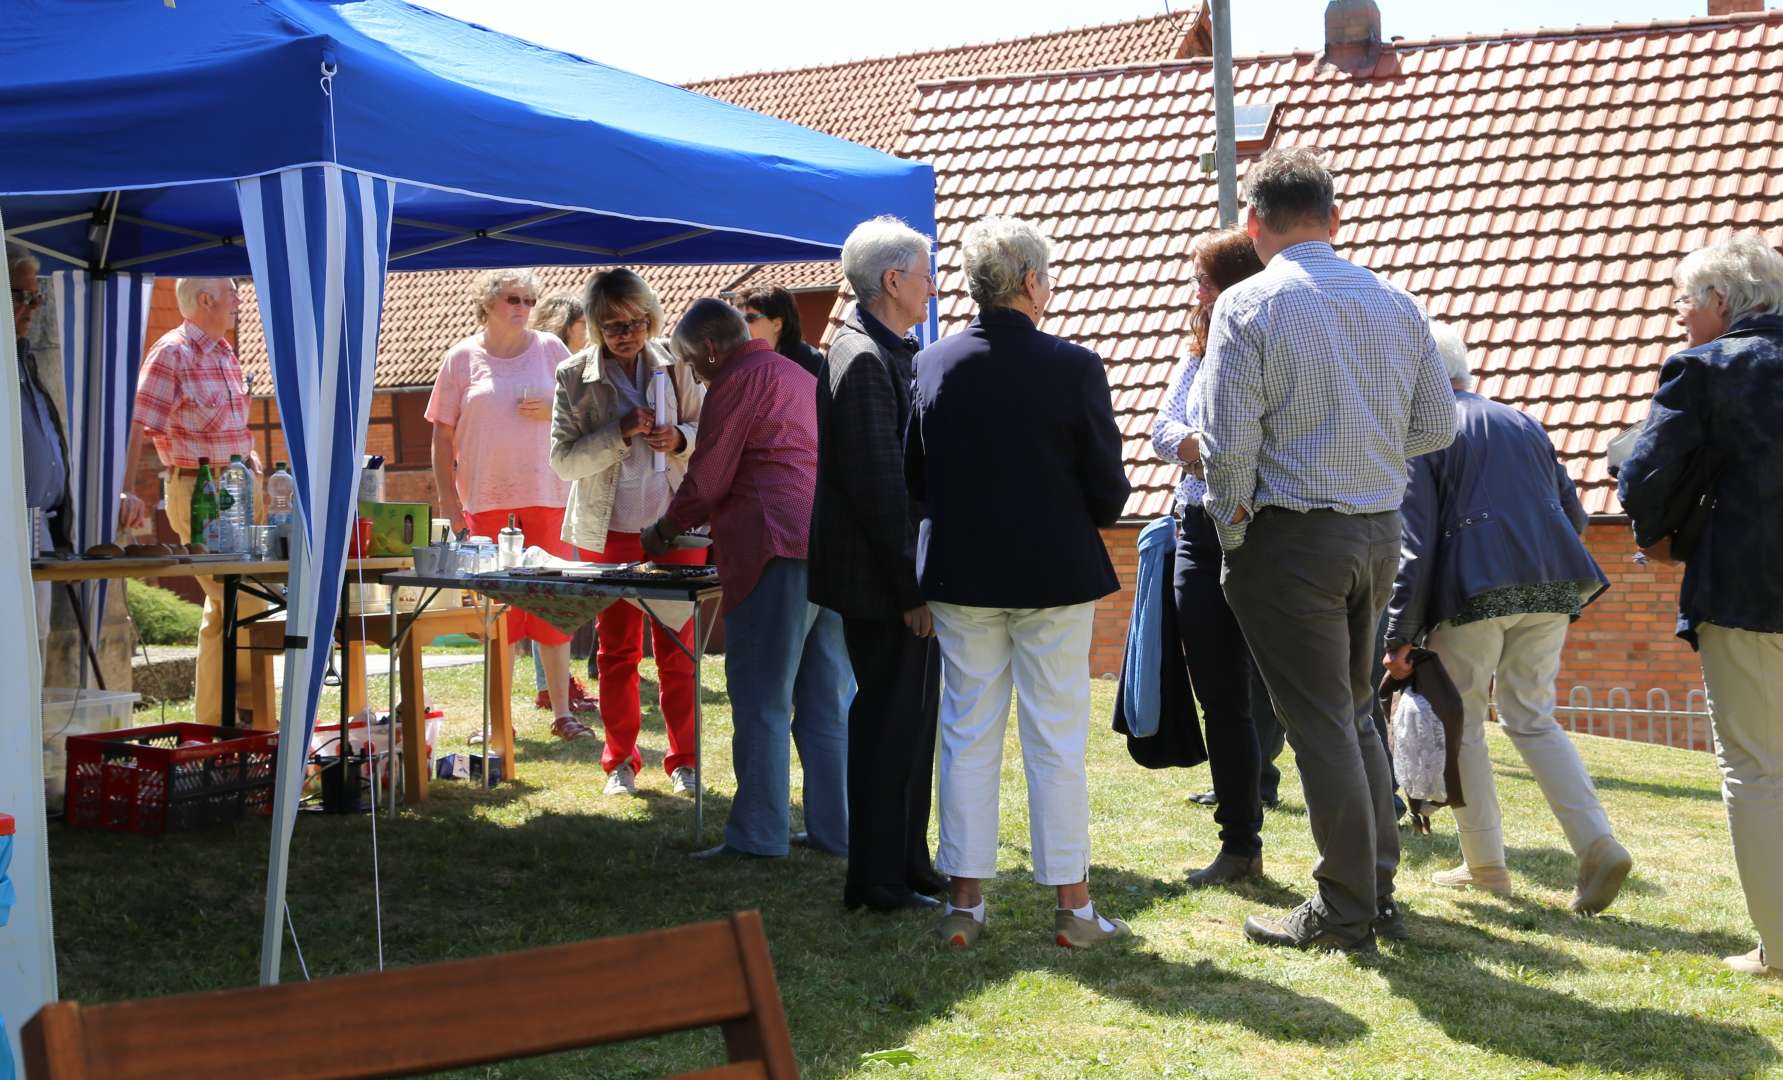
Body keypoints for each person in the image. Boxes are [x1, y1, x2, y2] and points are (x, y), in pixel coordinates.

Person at [1197, 147, 1455, 952]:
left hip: (1291, 538)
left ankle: (1345, 909)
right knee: (1352, 719)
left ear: (1252, 220)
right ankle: (1372, 895)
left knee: (1319, 727)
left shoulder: (1246, 305)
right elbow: (1437, 427)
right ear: (1333, 218)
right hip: (1379, 532)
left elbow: (1226, 447)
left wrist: (1232, 533)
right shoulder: (1397, 301)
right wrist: (1369, 452)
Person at [905, 216, 1133, 949]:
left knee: (966, 732)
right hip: (1051, 571)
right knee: (1056, 736)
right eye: (1048, 275)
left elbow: (917, 478)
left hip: (962, 571)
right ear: (1032, 282)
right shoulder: (1073, 366)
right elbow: (1108, 491)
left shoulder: (931, 363)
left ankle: (964, 907)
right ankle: (1072, 908)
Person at [1383, 323, 1630, 913]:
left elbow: (1413, 545)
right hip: (1553, 586)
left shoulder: (1425, 432)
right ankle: (1597, 841)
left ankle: (1485, 866)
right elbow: (1574, 516)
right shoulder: (1524, 421)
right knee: (1532, 717)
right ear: (1464, 373)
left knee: (1462, 723)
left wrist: (1396, 634)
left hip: (1472, 593)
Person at [1620, 231, 1783, 979]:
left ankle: (1778, 950)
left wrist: (1658, 531)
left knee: (1755, 769)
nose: (1678, 314)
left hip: (1748, 593)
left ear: (1720, 301)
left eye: (1684, 299)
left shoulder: (1706, 369)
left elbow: (1644, 477)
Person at [642, 299, 849, 859]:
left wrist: (663, 528)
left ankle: (759, 836)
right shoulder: (796, 372)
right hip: (827, 545)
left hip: (772, 547)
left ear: (710, 348)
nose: (691, 372)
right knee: (826, 701)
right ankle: (837, 831)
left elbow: (708, 477)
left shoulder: (736, 380)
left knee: (761, 698)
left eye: (688, 360)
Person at [810, 216, 946, 913]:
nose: (932, 284)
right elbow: (878, 490)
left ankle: (908, 860)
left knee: (913, 722)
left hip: (892, 578)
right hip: (882, 584)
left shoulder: (887, 348)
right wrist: (911, 590)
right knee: (888, 725)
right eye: (924, 272)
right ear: (893, 280)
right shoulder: (862, 358)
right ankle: (875, 880)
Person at [1149, 226, 1279, 887]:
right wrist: (1202, 446)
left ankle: (1348, 850)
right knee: (1219, 696)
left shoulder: (1270, 341)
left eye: (1203, 278)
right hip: (1198, 529)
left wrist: (1213, 446)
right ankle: (1239, 845)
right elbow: (1161, 430)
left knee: (1292, 692)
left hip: (1263, 530)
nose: (1193, 290)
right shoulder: (1195, 354)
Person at [550, 270, 705, 796]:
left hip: (674, 526)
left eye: (637, 323)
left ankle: (685, 760)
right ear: (595, 325)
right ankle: (620, 762)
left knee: (677, 648)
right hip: (609, 528)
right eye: (614, 325)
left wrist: (679, 438)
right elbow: (563, 461)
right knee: (616, 653)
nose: (627, 335)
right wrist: (618, 432)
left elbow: (708, 429)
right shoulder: (573, 375)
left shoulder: (676, 362)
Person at [426, 270, 584, 739]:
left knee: (554, 607)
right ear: (488, 303)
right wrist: (448, 500)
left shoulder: (552, 352)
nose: (523, 307)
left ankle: (563, 713)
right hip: (485, 501)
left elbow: (588, 409)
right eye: (514, 298)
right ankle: (498, 721)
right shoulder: (460, 358)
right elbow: (441, 434)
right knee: (496, 615)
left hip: (547, 495)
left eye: (530, 300)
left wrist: (555, 402)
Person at [127, 277, 263, 726]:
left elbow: (228, 424)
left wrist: (251, 458)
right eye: (230, 291)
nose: (239, 298)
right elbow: (139, 425)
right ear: (206, 300)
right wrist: (126, 491)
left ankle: (213, 726)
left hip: (240, 489)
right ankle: (253, 718)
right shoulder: (172, 352)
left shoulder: (225, 352)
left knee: (222, 608)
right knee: (248, 602)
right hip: (199, 491)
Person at [526, 292, 597, 716]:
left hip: (563, 488)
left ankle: (557, 681)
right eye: (581, 330)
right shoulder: (546, 369)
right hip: (546, 491)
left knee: (558, 588)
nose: (588, 338)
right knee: (548, 590)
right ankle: (549, 684)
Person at [737, 283, 826, 377]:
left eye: (750, 318)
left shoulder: (810, 361)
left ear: (777, 324)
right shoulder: (743, 359)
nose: (743, 325)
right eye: (739, 319)